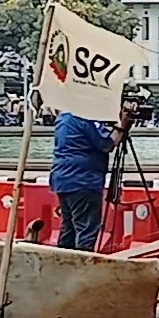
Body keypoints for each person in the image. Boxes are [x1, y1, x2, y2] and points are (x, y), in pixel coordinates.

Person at [49, 107, 133, 251]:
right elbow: (106, 144)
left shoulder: (64, 117)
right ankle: (83, 265)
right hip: (83, 180)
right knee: (86, 229)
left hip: (63, 178)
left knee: (69, 227)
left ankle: (63, 264)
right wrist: (121, 125)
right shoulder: (85, 116)